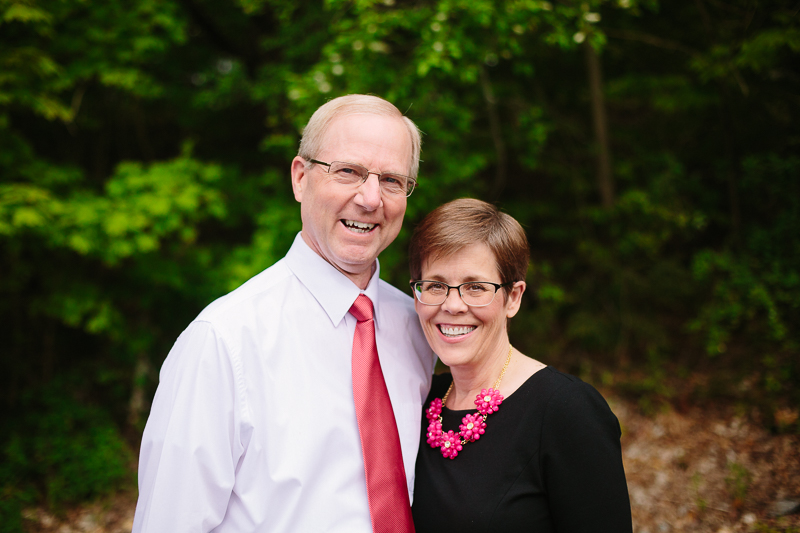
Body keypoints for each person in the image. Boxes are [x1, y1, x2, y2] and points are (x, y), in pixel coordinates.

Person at [132, 94, 436, 532]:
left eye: (391, 180)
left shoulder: (420, 327)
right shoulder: (223, 341)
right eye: (348, 171)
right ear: (300, 178)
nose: (371, 199)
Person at [408, 198, 632, 532]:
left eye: (475, 287)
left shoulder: (566, 410)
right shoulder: (420, 397)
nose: (453, 305)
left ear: (513, 297)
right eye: (436, 286)